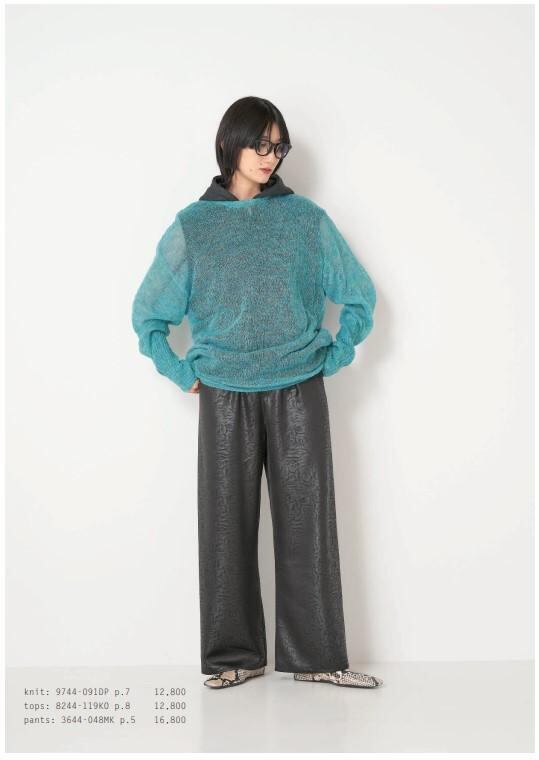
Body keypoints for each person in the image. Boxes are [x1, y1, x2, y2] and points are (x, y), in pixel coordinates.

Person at [131, 96, 383, 691]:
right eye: (260, 144)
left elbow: (360, 295)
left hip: (299, 387)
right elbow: (148, 316)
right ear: (230, 144)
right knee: (225, 528)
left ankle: (318, 658)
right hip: (223, 392)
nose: (270, 157)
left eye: (278, 146)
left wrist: (334, 355)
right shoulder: (193, 226)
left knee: (308, 523)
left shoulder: (305, 219)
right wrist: (180, 372)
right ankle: (233, 658)